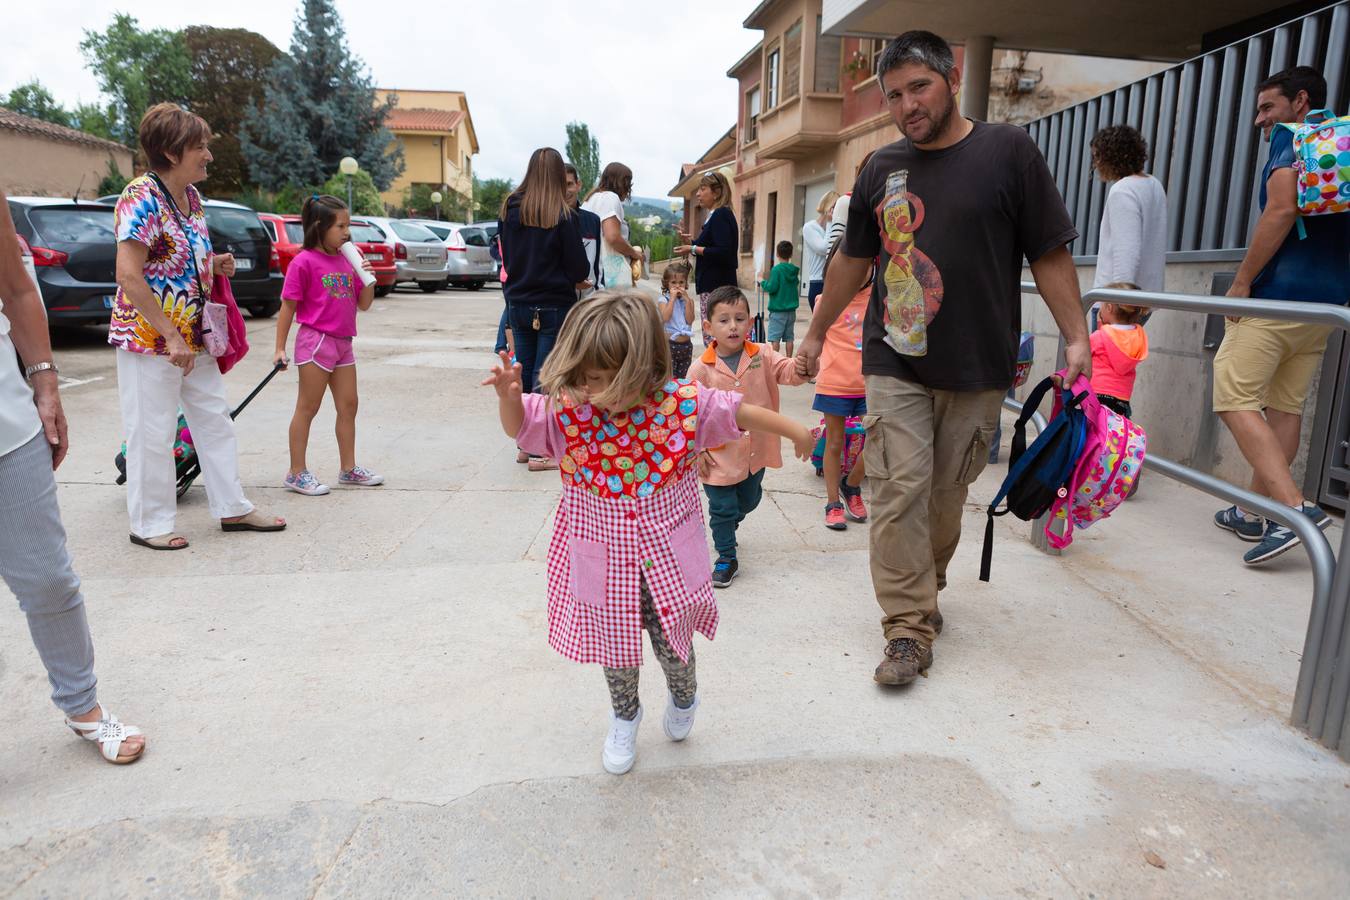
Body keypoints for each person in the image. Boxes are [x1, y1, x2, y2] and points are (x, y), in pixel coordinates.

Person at [796, 31, 1090, 687]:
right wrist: (816, 334)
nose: (906, 105)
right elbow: (852, 260)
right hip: (893, 358)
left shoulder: (1007, 152)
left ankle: (925, 588)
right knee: (899, 491)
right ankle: (905, 628)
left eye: (917, 88)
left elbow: (1048, 250)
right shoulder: (879, 169)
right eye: (893, 95)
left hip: (978, 363)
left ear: (950, 77)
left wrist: (1076, 337)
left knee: (945, 498)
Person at [481, 290, 812, 775]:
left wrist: (795, 429)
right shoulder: (571, 411)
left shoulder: (679, 406)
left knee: (675, 648)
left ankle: (684, 700)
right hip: (602, 558)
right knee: (616, 653)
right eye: (584, 379)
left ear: (641, 369)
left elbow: (738, 411)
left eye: (602, 381)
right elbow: (521, 428)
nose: (592, 391)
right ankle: (624, 716)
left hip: (669, 559)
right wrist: (510, 398)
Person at [0, 188, 148, 764]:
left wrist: (45, 383)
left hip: (6, 423)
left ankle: (82, 706)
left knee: (47, 578)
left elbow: (14, 288)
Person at [112, 102, 286, 550]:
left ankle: (233, 507)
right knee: (151, 431)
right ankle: (149, 525)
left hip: (195, 337)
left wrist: (215, 264)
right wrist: (169, 334)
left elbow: (174, 258)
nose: (208, 155)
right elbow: (129, 275)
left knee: (214, 420)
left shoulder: (190, 198)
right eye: (200, 147)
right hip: (152, 339)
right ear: (171, 153)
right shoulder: (140, 196)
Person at [1212, 65, 1349, 565]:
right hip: (1328, 300)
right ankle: (1254, 511)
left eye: (1268, 107)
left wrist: (1243, 281)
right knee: (1285, 406)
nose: (1260, 119)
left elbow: (1281, 210)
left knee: (1232, 397)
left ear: (1301, 101)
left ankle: (1295, 510)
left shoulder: (1293, 138)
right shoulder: (1342, 141)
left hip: (1278, 295)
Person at [687, 286, 810, 587]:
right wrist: (696, 449)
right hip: (719, 454)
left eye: (739, 319)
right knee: (722, 506)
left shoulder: (764, 355)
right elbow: (688, 414)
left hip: (757, 450)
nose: (733, 326)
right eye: (724, 320)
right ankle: (726, 555)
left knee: (749, 500)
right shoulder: (701, 369)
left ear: (751, 321)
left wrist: (806, 365)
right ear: (708, 327)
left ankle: (727, 526)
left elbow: (789, 372)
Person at [273, 194, 382, 496]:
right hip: (315, 341)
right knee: (308, 407)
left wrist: (369, 279)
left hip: (344, 342)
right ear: (319, 227)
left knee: (349, 404)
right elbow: (288, 307)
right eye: (341, 226)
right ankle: (296, 472)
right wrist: (280, 348)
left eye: (347, 226)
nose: (347, 232)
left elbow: (364, 304)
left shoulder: (348, 259)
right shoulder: (303, 262)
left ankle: (349, 469)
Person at [498, 147, 591, 470]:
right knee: (546, 375)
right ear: (555, 176)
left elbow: (507, 259)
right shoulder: (564, 216)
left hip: (519, 302)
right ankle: (540, 449)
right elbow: (580, 270)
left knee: (522, 373)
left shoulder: (509, 209)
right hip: (554, 304)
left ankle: (525, 444)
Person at [814, 249, 872, 530]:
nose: (856, 272)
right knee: (834, 443)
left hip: (870, 384)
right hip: (834, 382)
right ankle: (832, 501)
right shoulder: (825, 301)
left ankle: (852, 485)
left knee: (879, 440)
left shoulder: (879, 299)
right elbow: (815, 340)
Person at [1089, 125, 1166, 330]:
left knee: (1102, 362)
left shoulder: (1123, 191)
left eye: (1097, 157)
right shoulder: (1154, 185)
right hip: (1144, 300)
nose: (1095, 164)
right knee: (1125, 361)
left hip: (1117, 305)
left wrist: (1115, 305)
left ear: (1112, 157)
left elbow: (1127, 252)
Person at [674, 171, 738, 342]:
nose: (698, 194)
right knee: (714, 339)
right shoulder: (717, 215)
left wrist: (693, 248)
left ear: (716, 192)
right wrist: (691, 243)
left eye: (702, 189)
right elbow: (713, 248)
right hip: (715, 288)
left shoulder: (720, 215)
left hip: (717, 290)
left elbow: (724, 252)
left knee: (715, 340)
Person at [582, 163, 643, 290]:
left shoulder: (590, 199)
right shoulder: (611, 198)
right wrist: (634, 253)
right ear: (623, 183)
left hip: (590, 268)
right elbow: (612, 237)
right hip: (607, 274)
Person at [1090, 289, 1149, 420]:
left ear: (1109, 308)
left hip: (1096, 394)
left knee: (1091, 433)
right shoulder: (1138, 337)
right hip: (1123, 398)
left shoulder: (1099, 336)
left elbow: (1082, 358)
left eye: (1102, 306)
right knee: (1114, 435)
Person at [565, 163, 602, 298]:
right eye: (560, 186)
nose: (565, 190)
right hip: (559, 302)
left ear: (578, 185)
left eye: (569, 184)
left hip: (589, 301)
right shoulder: (547, 221)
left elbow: (598, 264)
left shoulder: (593, 221)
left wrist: (599, 292)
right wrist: (570, 283)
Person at [761, 240, 802, 357]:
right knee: (789, 338)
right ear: (791, 254)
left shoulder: (776, 270)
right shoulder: (794, 270)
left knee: (775, 339)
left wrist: (762, 282)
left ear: (777, 254)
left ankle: (776, 361)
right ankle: (789, 359)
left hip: (778, 311)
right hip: (791, 311)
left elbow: (772, 287)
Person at [657, 261, 696, 378]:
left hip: (686, 345)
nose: (677, 286)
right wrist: (672, 299)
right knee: (669, 376)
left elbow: (690, 320)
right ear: (667, 284)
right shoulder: (664, 300)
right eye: (673, 282)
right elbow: (665, 317)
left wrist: (687, 302)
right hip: (670, 345)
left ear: (686, 283)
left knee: (683, 376)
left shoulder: (689, 301)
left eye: (681, 282)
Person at [802, 191, 837, 311]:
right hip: (818, 283)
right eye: (835, 206)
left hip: (832, 281)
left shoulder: (832, 228)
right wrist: (830, 222)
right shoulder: (809, 227)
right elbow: (824, 248)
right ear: (828, 207)